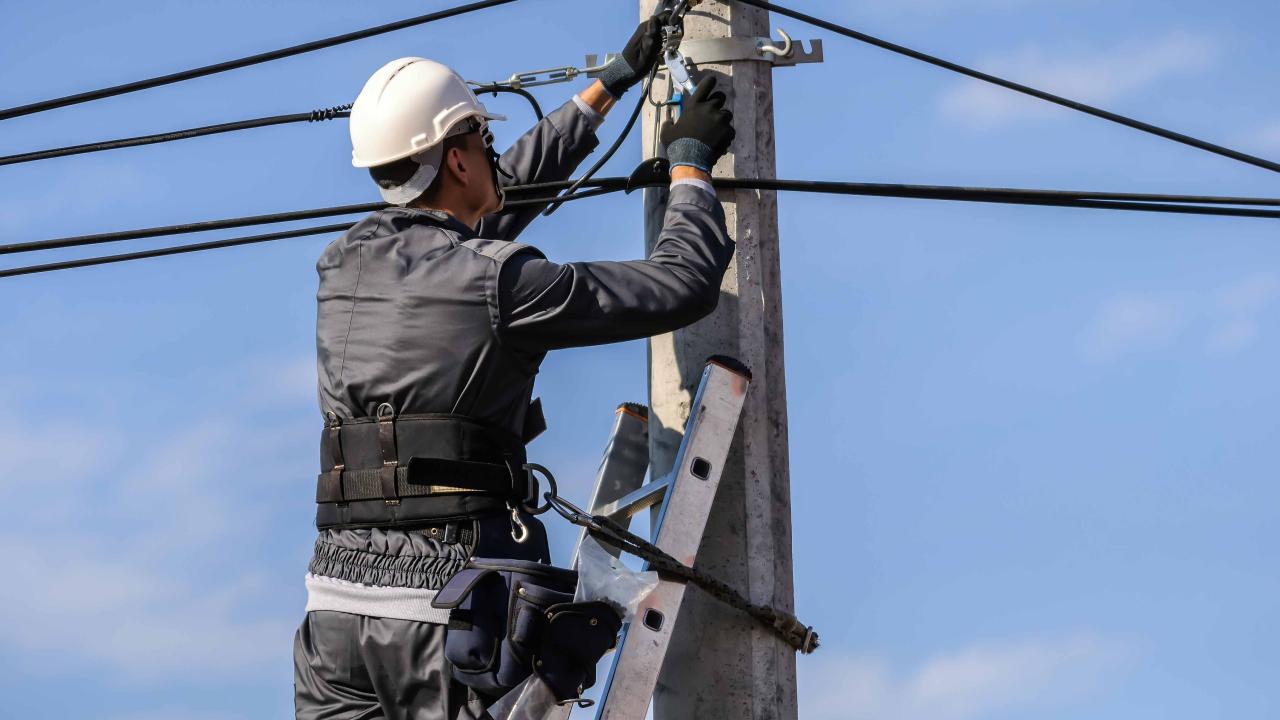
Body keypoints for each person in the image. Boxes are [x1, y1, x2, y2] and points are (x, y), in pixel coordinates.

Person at [293, 14, 736, 720]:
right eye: (484, 140)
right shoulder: (500, 281)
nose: (494, 157)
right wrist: (691, 167)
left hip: (334, 619)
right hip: (441, 612)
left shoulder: (344, 264)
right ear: (460, 159)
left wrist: (608, 87)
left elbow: (499, 200)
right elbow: (679, 285)